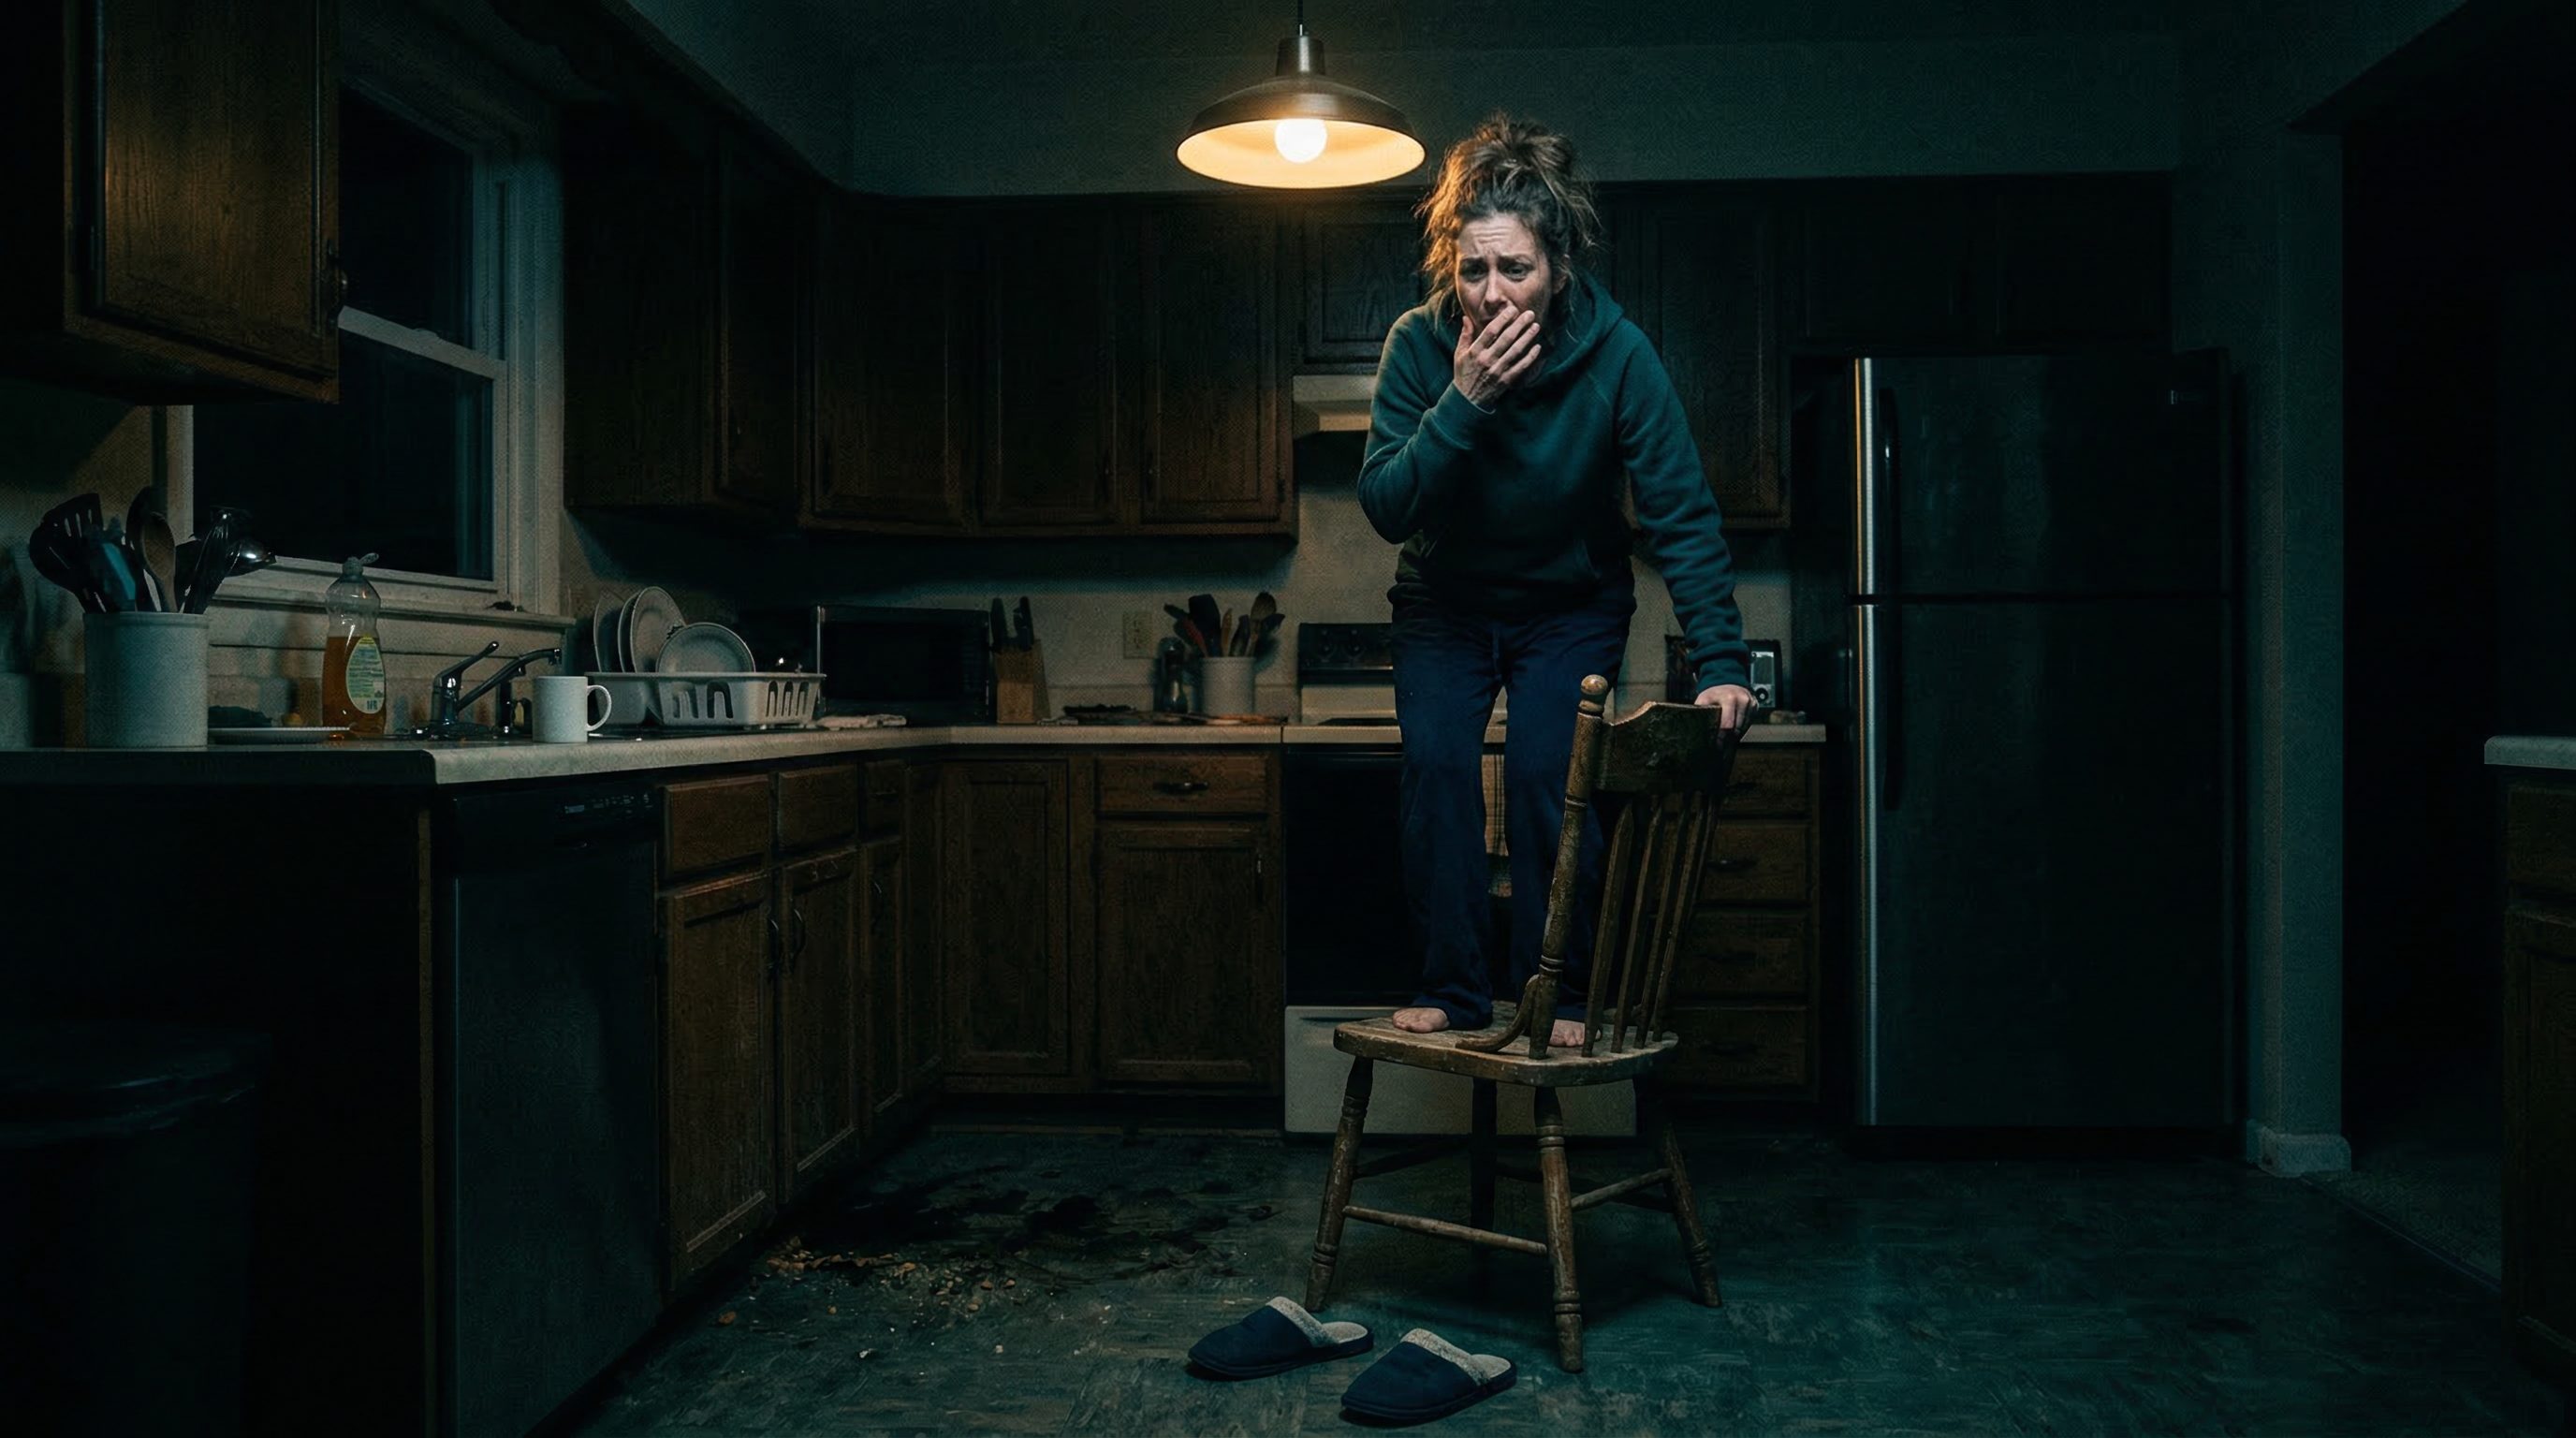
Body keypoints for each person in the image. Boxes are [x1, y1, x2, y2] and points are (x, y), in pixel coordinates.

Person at [1358, 115, 1755, 1050]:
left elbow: (1679, 513)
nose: (1491, 296)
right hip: (1444, 608)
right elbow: (1385, 506)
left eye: (1516, 270)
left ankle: (1561, 993)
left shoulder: (1618, 354)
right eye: (1472, 271)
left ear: (1561, 265)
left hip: (1569, 608)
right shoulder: (1419, 348)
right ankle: (1453, 988)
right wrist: (1463, 402)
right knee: (1440, 772)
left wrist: (1722, 661)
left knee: (1547, 777)